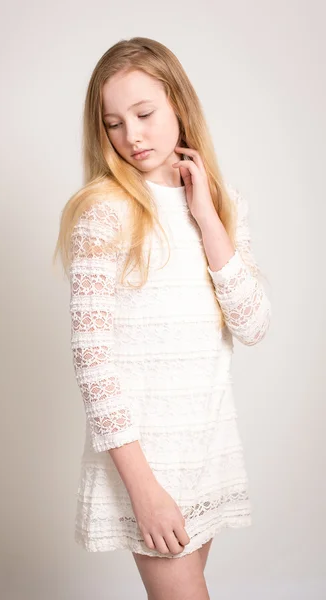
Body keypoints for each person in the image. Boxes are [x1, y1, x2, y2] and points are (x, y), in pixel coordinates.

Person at [53, 36, 271, 600]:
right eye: (114, 123)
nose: (132, 136)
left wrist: (207, 217)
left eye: (145, 114)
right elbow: (92, 362)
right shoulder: (103, 213)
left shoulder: (222, 204)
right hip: (147, 461)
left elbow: (252, 324)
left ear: (179, 104)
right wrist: (143, 489)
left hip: (207, 445)